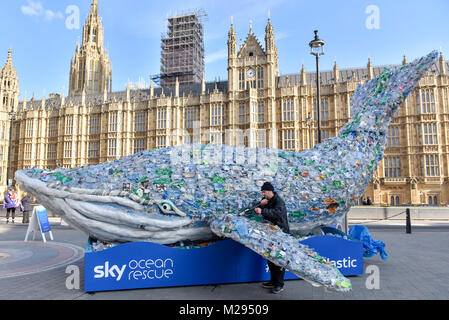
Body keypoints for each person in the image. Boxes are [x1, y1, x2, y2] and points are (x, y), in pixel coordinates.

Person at [254, 182, 289, 294]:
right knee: (270, 258)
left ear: (270, 191)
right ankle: (273, 281)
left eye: (264, 192)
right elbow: (257, 207)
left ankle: (279, 284)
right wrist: (260, 204)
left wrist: (262, 210)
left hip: (280, 233)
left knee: (278, 259)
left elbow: (277, 213)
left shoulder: (279, 202)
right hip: (271, 233)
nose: (263, 194)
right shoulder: (266, 200)